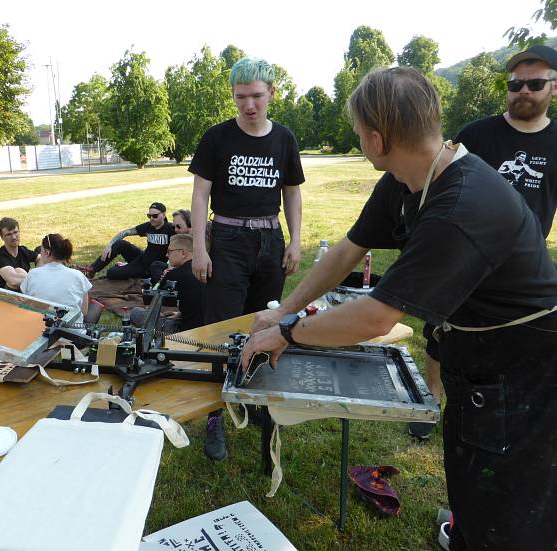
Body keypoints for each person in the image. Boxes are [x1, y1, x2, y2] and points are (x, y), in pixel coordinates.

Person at [243, 66, 557, 550]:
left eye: (357, 133)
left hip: (525, 370)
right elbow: (348, 250)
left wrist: (287, 334)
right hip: (475, 358)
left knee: (511, 513)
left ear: (377, 139)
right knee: (472, 488)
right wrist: (285, 309)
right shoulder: (406, 178)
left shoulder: (462, 204)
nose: (358, 140)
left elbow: (376, 317)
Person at [410, 44, 557, 441]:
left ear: (554, 87)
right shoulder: (477, 134)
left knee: (511, 338)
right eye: (515, 84)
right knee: (440, 328)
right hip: (462, 252)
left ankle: (496, 408)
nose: (523, 91)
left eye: (535, 84)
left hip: (520, 265)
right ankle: (433, 397)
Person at [189, 56, 304, 460]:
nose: (249, 104)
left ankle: (254, 401)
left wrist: (295, 240)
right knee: (221, 327)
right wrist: (199, 247)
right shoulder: (217, 138)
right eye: (241, 97)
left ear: (272, 92)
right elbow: (200, 195)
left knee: (265, 322)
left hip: (270, 240)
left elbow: (292, 192)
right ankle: (215, 414)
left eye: (256, 95)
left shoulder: (284, 139)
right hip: (227, 239)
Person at [131, 234, 204, 332]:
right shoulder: (206, 270)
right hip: (212, 327)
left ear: (183, 253)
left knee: (135, 312)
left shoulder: (174, 275)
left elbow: (151, 303)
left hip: (186, 334)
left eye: (169, 251)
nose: (166, 255)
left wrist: (166, 275)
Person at [85, 202, 174, 280]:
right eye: (149, 216)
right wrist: (110, 244)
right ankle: (93, 269)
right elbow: (126, 232)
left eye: (155, 216)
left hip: (153, 267)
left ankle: (126, 266)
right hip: (143, 258)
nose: (151, 218)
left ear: (164, 215)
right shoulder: (148, 226)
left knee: (111, 273)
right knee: (120, 244)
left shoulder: (171, 229)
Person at [20, 234, 92, 324]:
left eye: (41, 250)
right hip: (72, 331)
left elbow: (26, 306)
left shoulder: (32, 274)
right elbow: (84, 311)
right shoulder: (79, 276)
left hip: (39, 329)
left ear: (47, 252)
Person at [0, 217, 40, 290]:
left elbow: (41, 258)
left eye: (15, 232)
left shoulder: (23, 250)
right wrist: (37, 278)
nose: (14, 237)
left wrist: (40, 271)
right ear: (2, 237)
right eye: (8, 234)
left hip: (21, 293)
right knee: (18, 271)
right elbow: (13, 281)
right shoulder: (0, 256)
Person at [148, 209, 193, 281]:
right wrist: (170, 268)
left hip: (191, 269)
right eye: (174, 227)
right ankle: (164, 281)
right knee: (156, 265)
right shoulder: (178, 236)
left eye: (178, 226)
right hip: (178, 266)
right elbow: (173, 258)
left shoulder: (198, 240)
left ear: (190, 224)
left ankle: (164, 282)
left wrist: (173, 270)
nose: (175, 230)